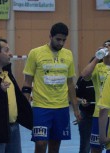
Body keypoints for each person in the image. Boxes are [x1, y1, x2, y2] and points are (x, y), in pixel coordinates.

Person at [22, 22, 81, 153]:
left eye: (64, 40)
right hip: (41, 107)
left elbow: (70, 83)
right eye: (58, 39)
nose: (61, 43)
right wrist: (25, 107)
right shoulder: (35, 53)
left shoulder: (68, 55)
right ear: (50, 36)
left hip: (62, 108)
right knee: (41, 143)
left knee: (55, 145)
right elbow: (27, 82)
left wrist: (76, 108)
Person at [81, 40, 110, 153]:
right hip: (99, 114)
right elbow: (84, 75)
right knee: (95, 149)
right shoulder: (97, 67)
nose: (107, 46)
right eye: (105, 45)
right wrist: (96, 58)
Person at [75, 57, 99, 153]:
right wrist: (82, 101)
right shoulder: (83, 79)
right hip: (86, 117)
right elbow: (74, 97)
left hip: (103, 116)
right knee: (85, 147)